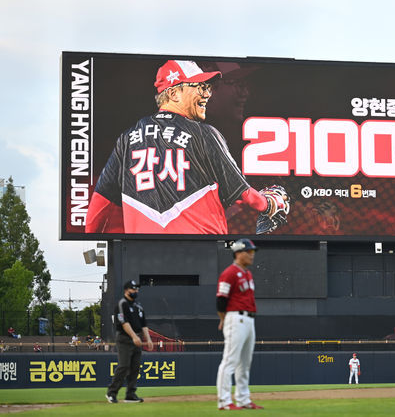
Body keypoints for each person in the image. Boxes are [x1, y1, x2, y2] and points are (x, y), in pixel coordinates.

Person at [85, 59, 289, 235]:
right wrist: (270, 203)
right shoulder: (204, 133)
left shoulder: (127, 138)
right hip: (201, 253)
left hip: (141, 255)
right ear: (174, 94)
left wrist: (90, 242)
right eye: (200, 87)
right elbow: (244, 194)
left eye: (208, 88)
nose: (207, 94)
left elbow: (99, 204)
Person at [215, 239, 263, 410]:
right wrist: (223, 319)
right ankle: (224, 401)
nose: (252, 255)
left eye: (252, 252)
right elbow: (221, 300)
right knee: (230, 361)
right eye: (248, 252)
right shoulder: (229, 273)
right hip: (235, 318)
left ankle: (243, 399)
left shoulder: (248, 273)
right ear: (238, 253)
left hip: (249, 319)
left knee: (245, 363)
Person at [106, 280, 153, 404]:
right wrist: (133, 337)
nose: (136, 291)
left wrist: (148, 339)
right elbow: (124, 323)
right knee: (124, 366)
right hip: (125, 338)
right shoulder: (122, 304)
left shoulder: (138, 306)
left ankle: (130, 394)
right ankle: (111, 393)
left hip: (137, 338)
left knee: (135, 367)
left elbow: (144, 325)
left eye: (137, 289)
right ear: (126, 290)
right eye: (133, 289)